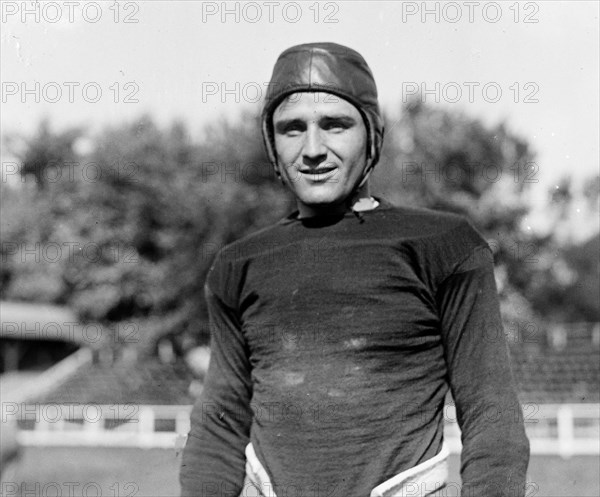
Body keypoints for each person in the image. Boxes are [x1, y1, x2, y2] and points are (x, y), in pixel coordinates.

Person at [180, 42, 530, 497]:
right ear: (272, 144)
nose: (312, 149)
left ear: (371, 134)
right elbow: (220, 420)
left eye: (335, 125)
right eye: (291, 129)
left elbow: (491, 409)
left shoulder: (444, 246)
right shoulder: (238, 264)